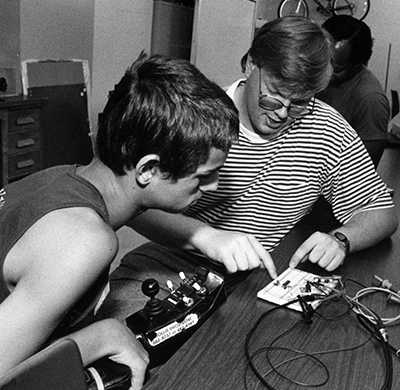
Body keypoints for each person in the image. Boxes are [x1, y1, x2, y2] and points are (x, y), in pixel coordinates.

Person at [97, 16, 397, 325]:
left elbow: (381, 213)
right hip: (177, 262)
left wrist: (342, 239)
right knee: (118, 341)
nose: (282, 114)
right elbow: (131, 201)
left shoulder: (327, 128)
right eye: (273, 95)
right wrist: (204, 236)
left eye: (300, 103)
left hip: (262, 277)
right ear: (251, 65)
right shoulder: (195, 120)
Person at [0, 52, 239, 388]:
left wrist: (203, 235)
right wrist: (100, 336)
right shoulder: (83, 242)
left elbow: (137, 211)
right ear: (148, 169)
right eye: (203, 177)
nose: (213, 186)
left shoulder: (66, 177)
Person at [316, 15, 390, 168]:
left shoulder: (370, 100)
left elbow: (364, 170)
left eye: (336, 69)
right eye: (324, 62)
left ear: (358, 64)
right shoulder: (319, 76)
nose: (326, 73)